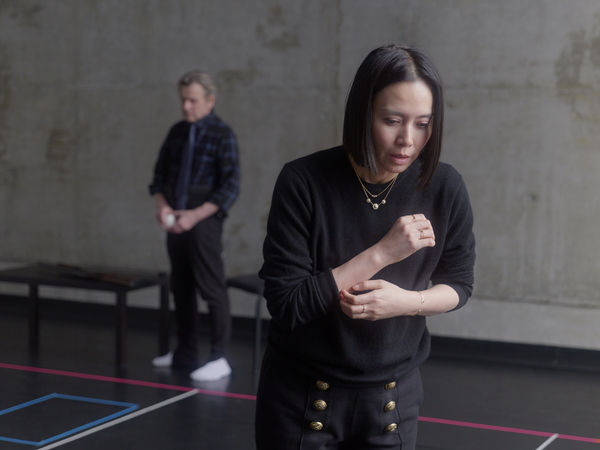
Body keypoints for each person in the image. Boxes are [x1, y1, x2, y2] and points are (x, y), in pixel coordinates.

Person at [256, 45, 475, 449]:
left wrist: (406, 302)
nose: (408, 140)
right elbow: (286, 304)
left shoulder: (445, 186)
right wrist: (382, 254)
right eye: (392, 120)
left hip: (393, 402)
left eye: (423, 123)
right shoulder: (304, 181)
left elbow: (459, 285)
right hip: (302, 399)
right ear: (362, 113)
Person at [149, 70, 240, 382]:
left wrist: (195, 215)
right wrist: (163, 208)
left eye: (192, 100)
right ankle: (185, 352)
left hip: (204, 223)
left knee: (211, 288)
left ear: (210, 101)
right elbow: (159, 177)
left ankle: (219, 357)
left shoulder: (222, 134)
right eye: (183, 100)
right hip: (175, 219)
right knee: (181, 287)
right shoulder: (176, 132)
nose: (186, 106)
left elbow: (230, 187)